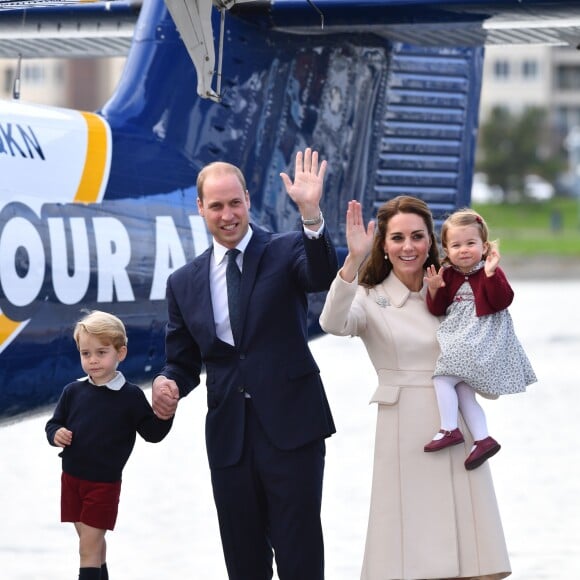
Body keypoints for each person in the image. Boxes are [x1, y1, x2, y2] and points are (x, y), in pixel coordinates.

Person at [152, 147, 338, 580]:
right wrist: (168, 384)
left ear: (248, 200)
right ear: (200, 208)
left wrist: (310, 215)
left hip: (292, 431)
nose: (228, 214)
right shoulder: (183, 283)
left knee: (301, 559)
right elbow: (181, 362)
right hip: (229, 439)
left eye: (235, 203)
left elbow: (321, 275)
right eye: (216, 205)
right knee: (244, 564)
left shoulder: (287, 248)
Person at [320, 196, 511, 580]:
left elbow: (488, 343)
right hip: (404, 434)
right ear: (384, 246)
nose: (408, 246)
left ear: (431, 242)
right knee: (408, 560)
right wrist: (352, 263)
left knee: (474, 562)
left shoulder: (457, 289)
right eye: (397, 238)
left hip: (459, 431)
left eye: (417, 236)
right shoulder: (369, 296)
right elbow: (332, 323)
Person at [45, 310, 173, 580]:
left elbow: (153, 433)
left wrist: (166, 412)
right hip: (70, 480)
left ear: (121, 353)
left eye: (101, 353)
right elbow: (53, 424)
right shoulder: (73, 391)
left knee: (87, 550)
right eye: (85, 353)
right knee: (95, 547)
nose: (92, 360)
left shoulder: (130, 396)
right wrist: (56, 434)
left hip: (102, 484)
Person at [423, 208, 536, 470]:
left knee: (442, 377)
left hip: (481, 339)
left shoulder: (489, 270)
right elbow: (437, 309)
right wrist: (434, 289)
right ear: (446, 249)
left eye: (470, 243)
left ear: (484, 247)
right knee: (463, 390)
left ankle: (449, 428)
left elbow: (502, 300)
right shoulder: (447, 274)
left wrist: (491, 273)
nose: (464, 250)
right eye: (456, 245)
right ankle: (483, 439)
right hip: (461, 338)